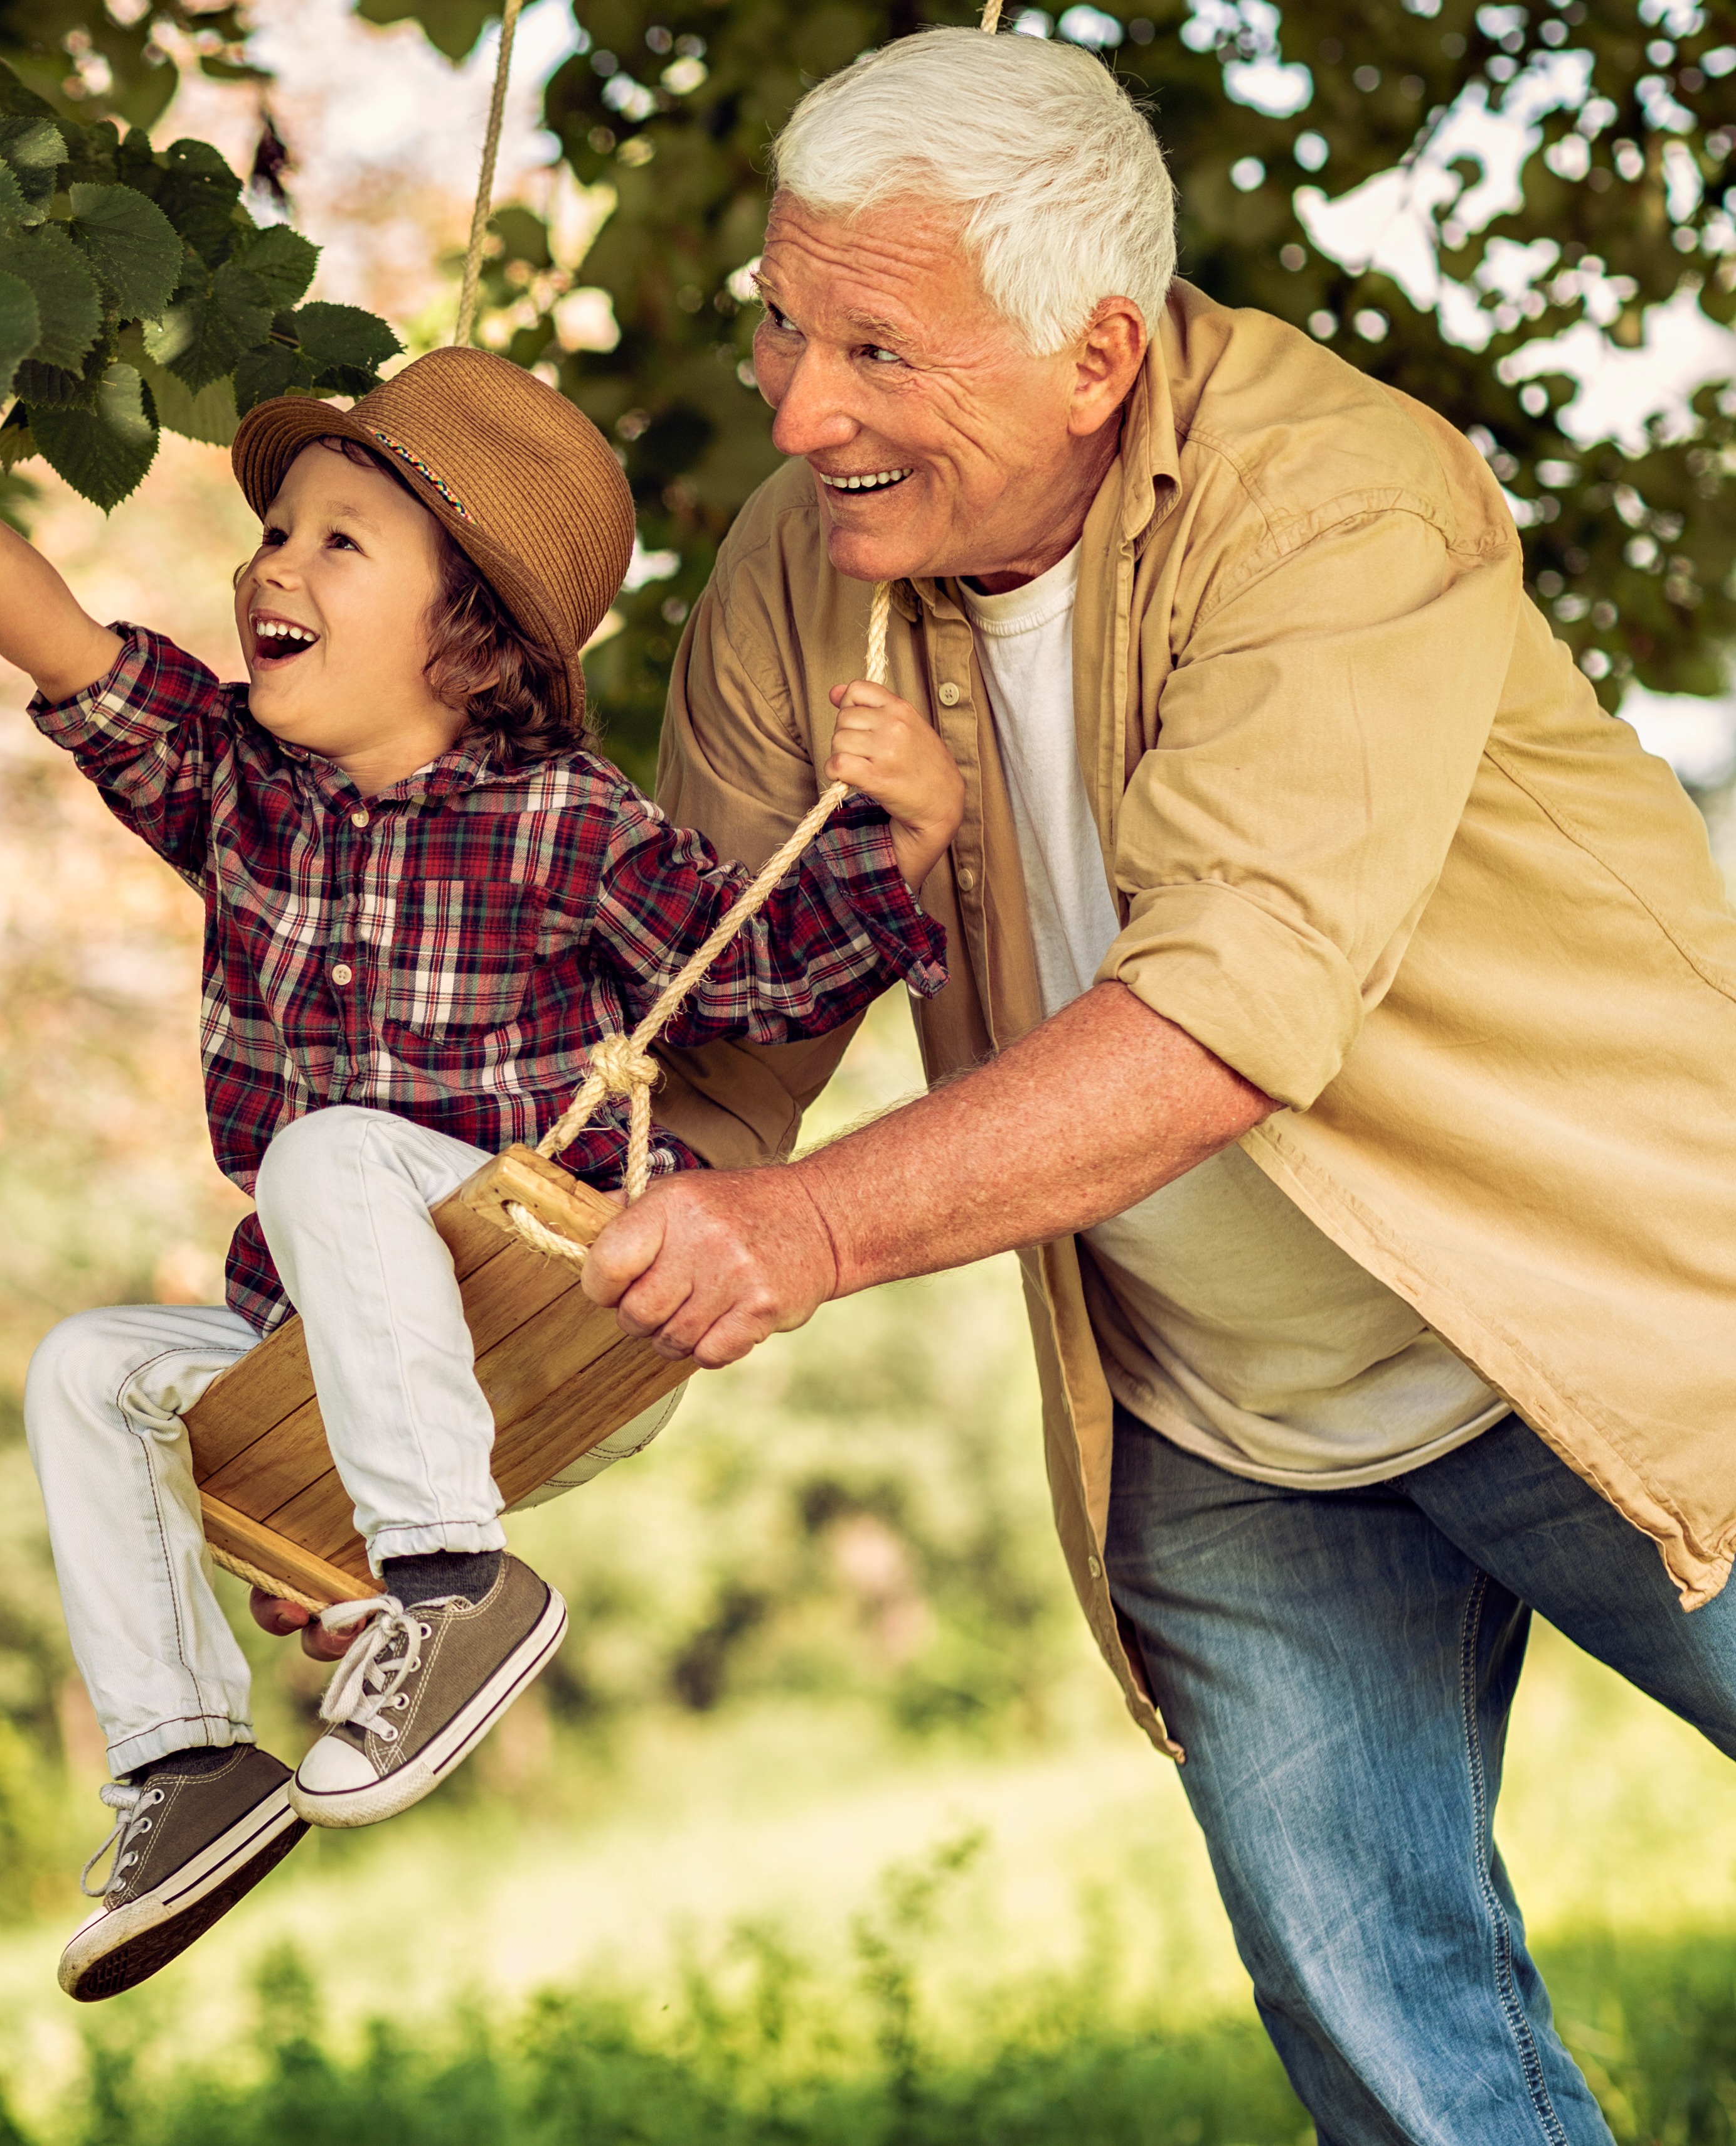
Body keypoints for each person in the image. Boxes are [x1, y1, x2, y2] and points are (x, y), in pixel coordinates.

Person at [553, 28, 1736, 2140]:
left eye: (874, 349)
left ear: (1095, 355)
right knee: (1405, 2076)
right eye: (779, 324)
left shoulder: (1340, 496)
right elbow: (705, 1076)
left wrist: (815, 1231)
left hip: (1620, 1314)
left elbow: (1226, 1010)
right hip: (1222, 1423)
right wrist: (411, 1436)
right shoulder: (797, 568)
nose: (798, 406)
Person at [0, 343, 967, 2000]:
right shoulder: (238, 794)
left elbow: (752, 978)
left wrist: (901, 827)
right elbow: (67, 649)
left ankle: (453, 1591)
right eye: (279, 527)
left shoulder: (559, 814)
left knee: (330, 1153)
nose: (274, 561)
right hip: (349, 1360)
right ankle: (186, 1764)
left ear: (467, 634)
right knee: (91, 1369)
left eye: (342, 539)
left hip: (554, 1302)